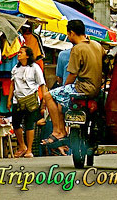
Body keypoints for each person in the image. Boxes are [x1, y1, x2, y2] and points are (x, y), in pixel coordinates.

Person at [41, 19, 105, 147]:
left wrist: (64, 88)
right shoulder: (97, 45)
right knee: (60, 103)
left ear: (72, 33)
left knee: (48, 96)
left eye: (68, 34)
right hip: (97, 89)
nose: (68, 37)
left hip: (82, 88)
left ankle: (58, 131)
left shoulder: (77, 49)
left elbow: (72, 74)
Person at [7, 46, 46, 158]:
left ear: (27, 55)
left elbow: (42, 84)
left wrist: (43, 101)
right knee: (16, 124)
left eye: (21, 52)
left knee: (29, 125)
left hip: (31, 100)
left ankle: (29, 149)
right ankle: (22, 146)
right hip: (17, 100)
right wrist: (9, 100)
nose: (18, 54)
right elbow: (12, 84)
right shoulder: (15, 68)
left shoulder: (35, 68)